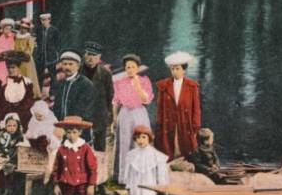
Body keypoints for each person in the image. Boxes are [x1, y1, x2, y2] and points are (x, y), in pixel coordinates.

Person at [51, 116, 98, 195]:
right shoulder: (62, 149)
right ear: (65, 132)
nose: (71, 135)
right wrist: (56, 184)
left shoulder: (85, 148)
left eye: (74, 132)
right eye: (68, 132)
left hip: (82, 184)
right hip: (66, 183)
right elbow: (56, 168)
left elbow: (92, 168)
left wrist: (91, 185)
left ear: (80, 132)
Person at [112, 53, 154, 184]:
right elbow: (115, 101)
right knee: (124, 143)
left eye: (133, 67)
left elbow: (145, 100)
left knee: (139, 142)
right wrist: (114, 118)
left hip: (139, 113)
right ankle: (124, 177)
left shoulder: (144, 80)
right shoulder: (119, 82)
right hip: (125, 114)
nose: (130, 70)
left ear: (138, 68)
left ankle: (140, 176)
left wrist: (137, 85)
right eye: (127, 67)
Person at [124, 125, 169, 195]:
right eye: (138, 137)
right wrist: (129, 187)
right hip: (136, 185)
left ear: (149, 138)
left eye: (144, 137)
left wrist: (160, 188)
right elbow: (129, 173)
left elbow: (161, 175)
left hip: (150, 186)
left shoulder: (156, 155)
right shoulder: (132, 155)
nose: (140, 140)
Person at [155, 51, 202, 161]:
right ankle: (170, 161)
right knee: (168, 144)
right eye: (172, 69)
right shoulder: (164, 86)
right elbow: (160, 108)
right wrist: (159, 124)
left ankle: (185, 160)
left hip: (185, 121)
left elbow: (196, 108)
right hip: (169, 121)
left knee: (186, 145)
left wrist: (196, 125)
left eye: (177, 69)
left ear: (184, 70)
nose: (174, 72)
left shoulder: (192, 86)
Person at [50, 50, 96, 144]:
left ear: (78, 66)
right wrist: (57, 125)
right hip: (62, 132)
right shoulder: (61, 84)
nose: (67, 67)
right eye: (65, 64)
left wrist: (66, 127)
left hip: (79, 131)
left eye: (71, 64)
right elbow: (56, 109)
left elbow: (83, 111)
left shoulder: (85, 84)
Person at [82, 41, 114, 152]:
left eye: (94, 55)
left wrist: (109, 115)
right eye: (88, 54)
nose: (91, 58)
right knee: (81, 144)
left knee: (100, 146)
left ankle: (100, 169)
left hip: (99, 114)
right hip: (82, 115)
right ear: (84, 54)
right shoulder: (78, 71)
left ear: (99, 57)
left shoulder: (105, 73)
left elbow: (110, 95)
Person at [0, 113, 25, 195]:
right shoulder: (1, 135)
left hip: (13, 160)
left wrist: (9, 158)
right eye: (9, 125)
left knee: (8, 168)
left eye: (14, 125)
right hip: (3, 158)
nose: (12, 128)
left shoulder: (20, 137)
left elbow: (20, 151)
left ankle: (7, 190)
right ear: (5, 126)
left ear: (18, 126)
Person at [0, 50, 35, 128]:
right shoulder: (2, 82)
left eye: (13, 67)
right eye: (8, 67)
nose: (10, 70)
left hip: (22, 111)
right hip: (7, 110)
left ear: (18, 68)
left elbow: (30, 99)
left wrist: (22, 108)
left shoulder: (27, 82)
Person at [14, 18, 41, 99]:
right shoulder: (17, 36)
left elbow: (30, 49)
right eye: (22, 28)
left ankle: (30, 93)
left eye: (25, 28)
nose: (23, 30)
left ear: (28, 29)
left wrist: (23, 53)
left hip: (26, 60)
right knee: (19, 76)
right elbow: (15, 46)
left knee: (27, 76)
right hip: (18, 59)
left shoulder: (29, 37)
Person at [35, 12, 62, 80]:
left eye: (45, 20)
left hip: (51, 57)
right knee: (39, 76)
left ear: (49, 20)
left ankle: (53, 88)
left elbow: (58, 44)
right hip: (40, 57)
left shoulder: (54, 30)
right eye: (42, 20)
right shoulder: (39, 30)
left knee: (53, 76)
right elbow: (37, 42)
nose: (43, 22)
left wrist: (57, 55)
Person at [0, 18, 16, 89]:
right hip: (1, 62)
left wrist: (10, 54)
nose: (8, 31)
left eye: (10, 29)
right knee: (2, 79)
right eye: (7, 29)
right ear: (3, 29)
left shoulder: (11, 39)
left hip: (9, 61)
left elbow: (13, 49)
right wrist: (6, 54)